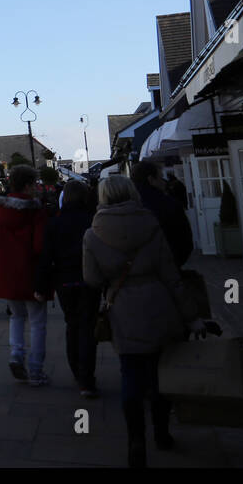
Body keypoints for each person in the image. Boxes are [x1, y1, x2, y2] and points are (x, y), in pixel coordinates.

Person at [84, 175, 204, 468]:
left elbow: (91, 279)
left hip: (123, 307)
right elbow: (171, 274)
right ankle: (162, 432)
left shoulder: (93, 233)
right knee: (161, 374)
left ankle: (136, 440)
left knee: (131, 374)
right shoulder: (150, 224)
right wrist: (193, 317)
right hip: (159, 303)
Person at [0, 165, 49, 385]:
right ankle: (36, 370)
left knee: (16, 316)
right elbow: (40, 246)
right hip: (30, 273)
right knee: (37, 322)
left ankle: (16, 355)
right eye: (34, 184)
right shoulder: (36, 211)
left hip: (6, 271)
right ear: (28, 185)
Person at [34, 181, 99, 397]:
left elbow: (46, 257)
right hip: (89, 279)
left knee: (72, 324)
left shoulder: (55, 223)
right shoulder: (92, 220)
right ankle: (86, 378)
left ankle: (77, 371)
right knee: (88, 327)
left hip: (65, 280)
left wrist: (41, 287)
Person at [130, 160, 194, 268]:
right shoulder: (171, 205)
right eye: (160, 177)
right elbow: (185, 243)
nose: (164, 181)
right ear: (151, 180)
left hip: (135, 274)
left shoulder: (125, 208)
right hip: (168, 270)